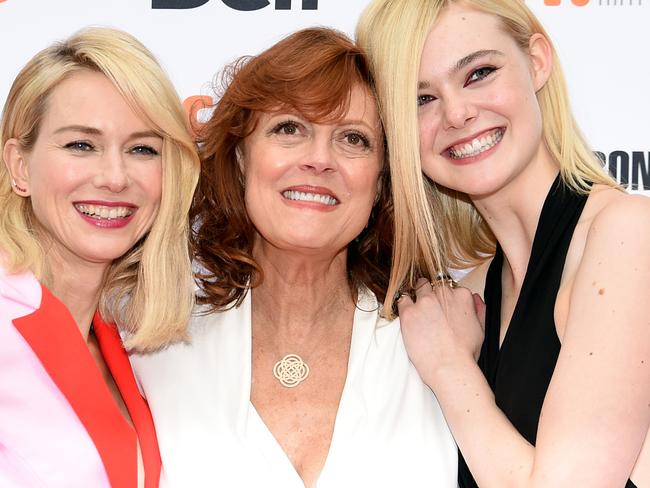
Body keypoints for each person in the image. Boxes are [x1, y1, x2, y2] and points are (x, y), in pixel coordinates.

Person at [129, 27, 457, 488]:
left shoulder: (443, 337)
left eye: (353, 139)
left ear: (382, 181)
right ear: (242, 158)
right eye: (290, 129)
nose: (319, 160)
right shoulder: (147, 331)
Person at [357, 1, 650, 487]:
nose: (457, 113)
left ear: (537, 62)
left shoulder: (628, 234)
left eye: (479, 73)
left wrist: (451, 370)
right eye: (420, 99)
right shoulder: (465, 298)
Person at [0, 27, 199, 487]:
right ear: (20, 166)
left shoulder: (123, 339)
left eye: (142, 149)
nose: (114, 177)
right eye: (81, 145)